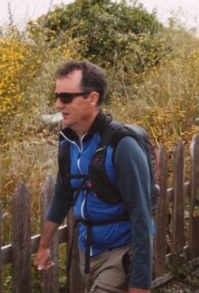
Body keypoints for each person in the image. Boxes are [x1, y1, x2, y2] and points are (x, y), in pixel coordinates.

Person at [35, 60, 154, 293]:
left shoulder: (122, 145)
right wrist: (44, 245)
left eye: (66, 97)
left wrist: (140, 283)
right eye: (57, 96)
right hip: (86, 252)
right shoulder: (69, 141)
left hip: (120, 252)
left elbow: (142, 215)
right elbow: (63, 192)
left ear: (92, 98)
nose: (58, 104)